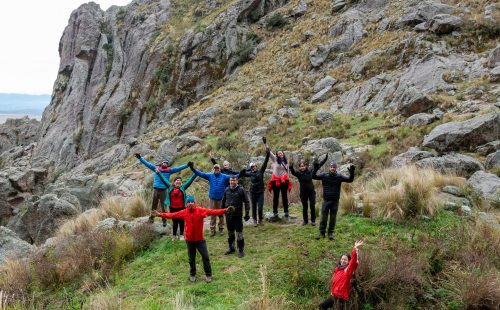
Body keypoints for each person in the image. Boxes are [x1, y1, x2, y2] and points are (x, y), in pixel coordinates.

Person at [153, 196, 234, 283]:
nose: (190, 203)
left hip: (200, 239)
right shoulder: (184, 212)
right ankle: (192, 274)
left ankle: (208, 274)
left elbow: (213, 211)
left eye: (192, 201)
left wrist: (225, 210)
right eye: (189, 202)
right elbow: (172, 215)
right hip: (189, 240)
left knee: (205, 257)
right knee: (191, 258)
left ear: (194, 203)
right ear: (186, 204)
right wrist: (160, 214)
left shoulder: (200, 210)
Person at [135, 153, 188, 226]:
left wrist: (187, 165)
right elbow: (147, 164)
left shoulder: (169, 170)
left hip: (164, 190)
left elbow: (179, 168)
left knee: (164, 206)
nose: (165, 163)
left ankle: (164, 220)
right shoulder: (156, 168)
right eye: (164, 162)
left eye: (166, 163)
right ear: (161, 163)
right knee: (153, 205)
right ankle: (151, 219)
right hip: (155, 190)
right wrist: (140, 158)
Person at [313, 156, 355, 240]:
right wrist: (315, 168)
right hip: (326, 200)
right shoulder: (324, 175)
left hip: (335, 201)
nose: (332, 168)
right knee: (324, 217)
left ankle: (330, 233)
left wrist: (352, 173)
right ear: (329, 168)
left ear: (336, 168)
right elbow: (313, 176)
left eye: (334, 167)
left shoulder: (339, 177)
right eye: (331, 167)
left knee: (332, 218)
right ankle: (321, 232)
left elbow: (350, 180)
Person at [188, 161, 233, 236]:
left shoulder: (224, 176)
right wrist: (192, 169)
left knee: (221, 214)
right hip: (212, 199)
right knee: (212, 214)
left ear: (219, 169)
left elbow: (233, 177)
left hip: (221, 198)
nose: (216, 169)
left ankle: (221, 229)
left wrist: (241, 174)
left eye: (217, 168)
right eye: (215, 168)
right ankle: (212, 230)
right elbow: (201, 173)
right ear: (213, 169)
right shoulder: (210, 176)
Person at [318, 240, 364, 309]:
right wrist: (332, 292)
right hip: (335, 295)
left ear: (348, 261)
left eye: (345, 260)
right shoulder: (338, 269)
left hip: (340, 297)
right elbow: (335, 282)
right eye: (342, 259)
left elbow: (354, 262)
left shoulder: (348, 270)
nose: (343, 261)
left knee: (322, 306)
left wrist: (355, 248)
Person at [156, 169, 197, 241]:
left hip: (182, 208)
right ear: (174, 182)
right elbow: (163, 179)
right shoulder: (169, 186)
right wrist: (159, 173)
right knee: (175, 222)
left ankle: (181, 235)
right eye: (177, 180)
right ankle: (174, 235)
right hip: (172, 208)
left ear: (181, 182)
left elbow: (190, 180)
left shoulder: (183, 187)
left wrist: (196, 173)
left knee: (181, 222)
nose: (178, 181)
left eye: (180, 180)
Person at [239, 146, 270, 225]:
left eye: (254, 166)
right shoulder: (250, 173)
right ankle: (255, 220)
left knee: (260, 207)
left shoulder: (261, 171)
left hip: (260, 192)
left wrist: (268, 153)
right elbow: (242, 174)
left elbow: (265, 162)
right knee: (253, 207)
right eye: (252, 167)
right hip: (252, 192)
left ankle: (260, 219)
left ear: (256, 166)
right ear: (251, 168)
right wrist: (243, 171)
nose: (253, 168)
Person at [222, 175, 250, 257]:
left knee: (239, 233)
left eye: (234, 180)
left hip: (237, 215)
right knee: (230, 232)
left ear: (237, 181)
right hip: (228, 215)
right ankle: (231, 247)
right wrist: (221, 212)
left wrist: (247, 213)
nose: (232, 182)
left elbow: (247, 202)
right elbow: (223, 201)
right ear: (229, 181)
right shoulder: (226, 189)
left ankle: (240, 250)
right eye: (231, 180)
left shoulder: (241, 190)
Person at [264, 137, 292, 219]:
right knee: (275, 197)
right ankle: (275, 212)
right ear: (277, 155)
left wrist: (288, 179)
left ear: (283, 154)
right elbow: (269, 152)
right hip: (276, 181)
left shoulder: (286, 162)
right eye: (279, 153)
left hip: (284, 181)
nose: (280, 154)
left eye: (281, 153)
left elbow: (288, 172)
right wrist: (265, 143)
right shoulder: (275, 159)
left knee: (284, 197)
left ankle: (286, 212)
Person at [290, 160, 316, 226]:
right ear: (299, 168)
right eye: (301, 166)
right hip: (303, 193)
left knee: (312, 206)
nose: (302, 167)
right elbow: (293, 172)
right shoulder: (299, 174)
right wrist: (291, 167)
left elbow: (316, 166)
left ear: (306, 166)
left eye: (303, 166)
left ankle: (313, 221)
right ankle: (305, 221)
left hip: (311, 192)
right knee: (305, 207)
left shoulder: (310, 171)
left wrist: (317, 162)